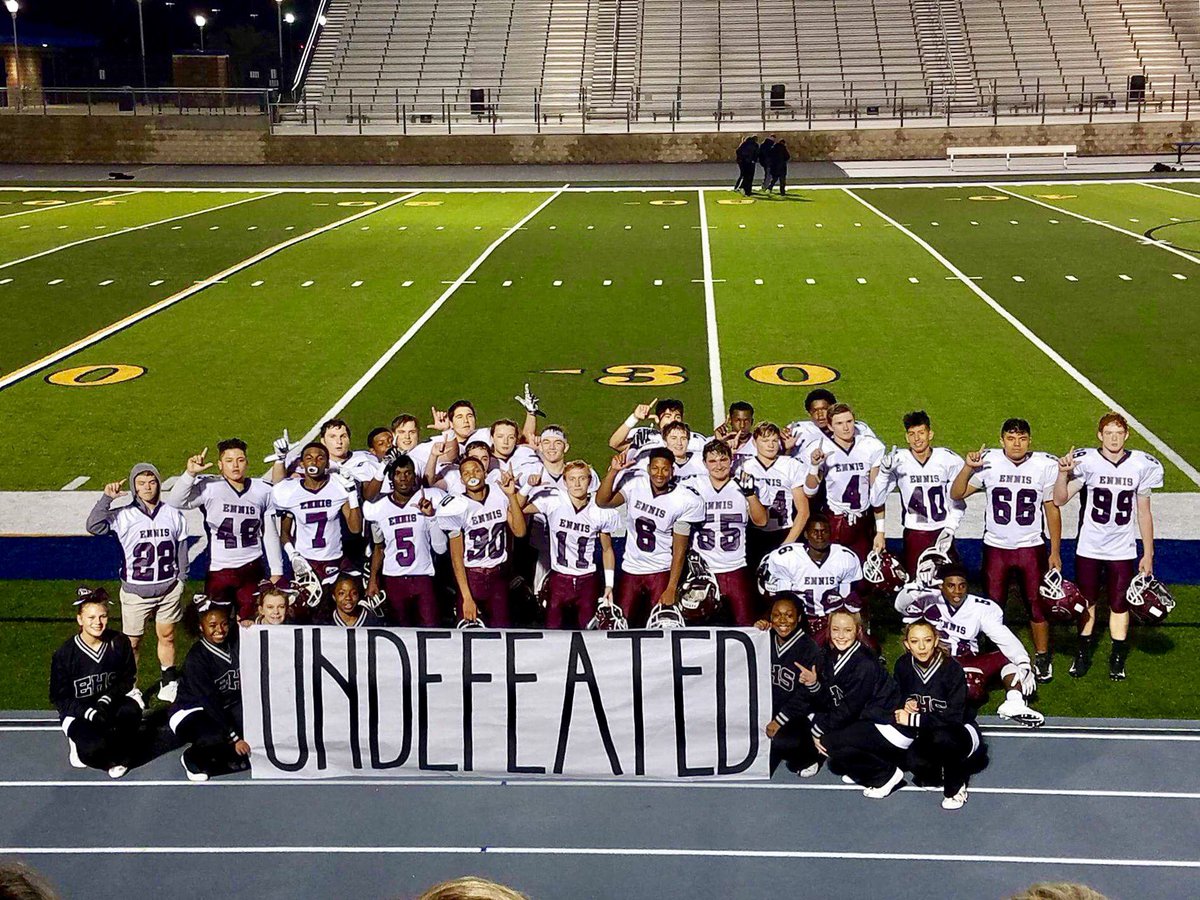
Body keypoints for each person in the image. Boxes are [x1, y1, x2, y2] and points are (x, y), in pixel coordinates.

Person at [1053, 413, 1163, 680]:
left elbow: (1144, 513)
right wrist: (1063, 474)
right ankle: (1083, 653)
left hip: (1122, 549)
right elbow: (1059, 499)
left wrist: (1148, 553)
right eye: (1109, 433)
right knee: (1087, 602)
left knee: (1119, 604)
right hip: (1089, 546)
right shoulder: (1087, 462)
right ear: (1100, 435)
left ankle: (1117, 657)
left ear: (1126, 435)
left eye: (1119, 433)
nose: (1114, 438)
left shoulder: (1140, 465)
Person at [951, 418, 1062, 682]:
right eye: (1011, 438)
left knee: (1037, 604)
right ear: (1001, 440)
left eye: (1022, 438)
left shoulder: (1044, 465)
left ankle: (1042, 656)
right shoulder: (989, 461)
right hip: (996, 547)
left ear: (1030, 441)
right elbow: (956, 493)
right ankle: (993, 657)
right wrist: (968, 468)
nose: (1017, 444)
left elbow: (1051, 510)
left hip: (1030, 546)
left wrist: (1055, 550)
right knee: (993, 606)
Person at [86, 462, 187, 702]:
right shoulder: (123, 515)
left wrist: (181, 579)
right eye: (141, 483)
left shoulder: (172, 513)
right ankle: (130, 687)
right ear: (134, 487)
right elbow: (93, 526)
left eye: (152, 482)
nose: (147, 487)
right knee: (131, 643)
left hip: (169, 588)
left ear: (159, 484)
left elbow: (181, 547)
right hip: (136, 592)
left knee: (167, 635)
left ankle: (168, 681)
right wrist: (106, 499)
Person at [895, 563, 1043, 726]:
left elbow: (1002, 635)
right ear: (941, 586)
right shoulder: (927, 598)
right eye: (951, 586)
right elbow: (900, 606)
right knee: (967, 687)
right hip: (936, 661)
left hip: (967, 659)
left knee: (1008, 659)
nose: (957, 591)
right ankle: (932, 704)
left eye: (962, 585)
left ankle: (1014, 702)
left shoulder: (980, 607)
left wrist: (1023, 662)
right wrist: (915, 588)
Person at [167, 439, 283, 620]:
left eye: (240, 460)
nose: (235, 465)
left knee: (250, 622)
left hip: (252, 566)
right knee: (218, 623)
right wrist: (190, 474)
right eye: (229, 461)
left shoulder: (262, 490)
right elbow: (175, 501)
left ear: (247, 462)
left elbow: (269, 533)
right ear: (220, 465)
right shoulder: (210, 487)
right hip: (219, 569)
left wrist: (277, 570)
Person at [596, 448, 705, 626]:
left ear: (672, 471)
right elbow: (602, 501)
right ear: (648, 469)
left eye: (665, 469)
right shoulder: (635, 485)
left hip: (660, 569)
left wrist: (671, 587)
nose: (659, 474)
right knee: (620, 624)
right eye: (655, 468)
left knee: (662, 626)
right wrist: (613, 471)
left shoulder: (684, 499)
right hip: (632, 567)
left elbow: (679, 550)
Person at [810, 610, 907, 798]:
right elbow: (831, 699)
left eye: (847, 630)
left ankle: (885, 775)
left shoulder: (864, 663)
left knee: (830, 741)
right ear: (828, 630)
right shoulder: (830, 655)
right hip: (868, 719)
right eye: (835, 629)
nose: (840, 635)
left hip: (891, 725)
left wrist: (817, 730)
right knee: (831, 732)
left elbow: (848, 709)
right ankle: (863, 769)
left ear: (858, 631)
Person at [892, 619, 987, 810]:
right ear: (907, 644)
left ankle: (956, 787)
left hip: (961, 731)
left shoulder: (951, 669)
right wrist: (906, 703)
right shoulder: (903, 666)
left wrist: (913, 719)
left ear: (935, 641)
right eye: (915, 641)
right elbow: (895, 696)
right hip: (929, 732)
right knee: (916, 764)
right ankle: (940, 769)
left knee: (943, 738)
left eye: (927, 640)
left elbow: (953, 718)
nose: (921, 647)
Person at [49, 587, 142, 778]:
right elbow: (59, 698)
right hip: (77, 712)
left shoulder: (119, 642)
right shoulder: (65, 654)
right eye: (91, 617)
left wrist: (107, 699)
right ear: (80, 620)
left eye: (103, 616)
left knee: (131, 711)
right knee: (92, 750)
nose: (98, 623)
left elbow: (127, 678)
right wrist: (88, 712)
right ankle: (80, 742)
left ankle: (118, 751)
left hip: (108, 704)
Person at [519, 461, 621, 629]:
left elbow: (607, 549)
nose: (577, 484)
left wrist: (609, 584)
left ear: (590, 481)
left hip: (587, 579)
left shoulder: (599, 510)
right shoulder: (554, 501)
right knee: (552, 628)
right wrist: (528, 487)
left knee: (588, 629)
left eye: (582, 478)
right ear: (565, 482)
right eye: (572, 479)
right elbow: (518, 507)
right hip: (559, 577)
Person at [870, 411, 966, 575]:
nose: (917, 439)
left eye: (921, 433)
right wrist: (884, 473)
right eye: (912, 434)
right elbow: (875, 500)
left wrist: (950, 528)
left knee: (949, 580)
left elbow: (958, 500)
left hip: (942, 529)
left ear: (930, 434)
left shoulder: (948, 459)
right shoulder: (898, 460)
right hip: (914, 533)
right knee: (915, 583)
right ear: (906, 437)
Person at [436, 458, 527, 626]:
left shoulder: (499, 494)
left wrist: (511, 496)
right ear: (461, 480)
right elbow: (456, 558)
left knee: (502, 630)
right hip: (472, 577)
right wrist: (467, 597)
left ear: (485, 473)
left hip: (498, 576)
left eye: (476, 470)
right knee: (468, 630)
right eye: (466, 473)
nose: (472, 475)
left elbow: (520, 532)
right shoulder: (456, 506)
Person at [171, 596, 250, 781]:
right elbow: (209, 701)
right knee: (215, 737)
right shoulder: (197, 658)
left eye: (224, 624)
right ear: (201, 627)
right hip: (191, 709)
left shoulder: (236, 643)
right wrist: (234, 737)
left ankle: (224, 751)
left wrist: (252, 624)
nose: (220, 630)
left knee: (256, 731)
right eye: (212, 626)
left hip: (224, 706)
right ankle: (192, 758)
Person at [690, 439, 769, 624]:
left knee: (745, 623)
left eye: (723, 460)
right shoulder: (693, 486)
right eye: (712, 461)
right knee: (699, 625)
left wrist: (750, 495)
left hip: (735, 567)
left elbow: (762, 521)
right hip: (703, 570)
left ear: (731, 460)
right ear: (704, 463)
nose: (718, 466)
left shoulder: (743, 485)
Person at [758, 514, 866, 645]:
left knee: (870, 647)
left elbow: (847, 600)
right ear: (806, 534)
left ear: (830, 533)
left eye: (824, 531)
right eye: (815, 532)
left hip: (830, 620)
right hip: (798, 620)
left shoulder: (845, 557)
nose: (819, 536)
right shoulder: (788, 558)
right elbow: (782, 600)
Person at [364, 453, 446, 627]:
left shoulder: (429, 498)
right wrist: (373, 579)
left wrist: (431, 517)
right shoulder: (378, 507)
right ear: (391, 478)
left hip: (423, 577)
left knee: (431, 629)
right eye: (398, 474)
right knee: (400, 630)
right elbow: (379, 547)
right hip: (394, 578)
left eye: (408, 473)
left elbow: (441, 549)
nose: (403, 478)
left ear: (415, 476)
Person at [272, 442, 362, 592]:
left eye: (320, 458)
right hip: (306, 562)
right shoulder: (290, 491)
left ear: (327, 463)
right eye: (309, 458)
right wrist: (293, 555)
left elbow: (356, 528)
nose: (314, 462)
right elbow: (284, 533)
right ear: (302, 463)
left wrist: (352, 494)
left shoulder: (338, 487)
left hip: (335, 559)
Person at [803, 403, 885, 562]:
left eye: (849, 421)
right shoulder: (822, 448)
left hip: (863, 521)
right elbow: (809, 492)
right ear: (830, 426)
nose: (846, 428)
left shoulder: (870, 446)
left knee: (864, 570)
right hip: (834, 521)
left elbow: (877, 495)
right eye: (839, 423)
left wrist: (880, 531)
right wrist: (814, 466)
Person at [756, 596, 823, 776]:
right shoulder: (764, 639)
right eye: (777, 615)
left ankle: (811, 755)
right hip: (767, 710)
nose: (783, 620)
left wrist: (779, 721)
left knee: (784, 742)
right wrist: (752, 635)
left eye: (789, 615)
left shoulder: (809, 648)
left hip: (797, 715)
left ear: (799, 618)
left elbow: (806, 696)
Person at [738, 421, 810, 571]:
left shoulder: (791, 465)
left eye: (774, 440)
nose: (770, 445)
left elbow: (803, 511)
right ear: (754, 442)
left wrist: (787, 544)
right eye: (765, 441)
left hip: (784, 531)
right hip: (754, 534)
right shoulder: (746, 467)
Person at [608, 398, 706, 456]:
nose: (673, 420)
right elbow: (615, 444)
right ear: (658, 419)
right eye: (668, 416)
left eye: (677, 417)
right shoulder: (645, 436)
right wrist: (634, 418)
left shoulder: (695, 439)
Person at [634, 421, 706, 481]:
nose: (679, 443)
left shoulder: (701, 461)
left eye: (683, 438)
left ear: (688, 441)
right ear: (665, 442)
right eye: (674, 438)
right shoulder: (653, 462)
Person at [316, 574, 386, 627]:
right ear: (334, 596)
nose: (348, 598)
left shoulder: (373, 620)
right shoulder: (325, 623)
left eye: (353, 593)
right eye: (342, 593)